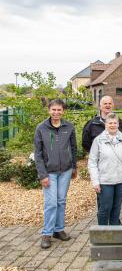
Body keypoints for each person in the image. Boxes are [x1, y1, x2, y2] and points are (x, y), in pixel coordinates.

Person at [34, 99, 77, 249]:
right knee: (51, 203)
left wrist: (74, 167)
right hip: (49, 172)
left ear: (63, 111)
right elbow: (38, 154)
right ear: (49, 110)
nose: (56, 113)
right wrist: (42, 175)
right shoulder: (41, 128)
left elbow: (73, 147)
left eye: (59, 110)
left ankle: (58, 230)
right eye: (54, 110)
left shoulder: (69, 127)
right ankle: (46, 233)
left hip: (65, 171)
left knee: (61, 201)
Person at [88, 112, 122, 225]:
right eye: (110, 123)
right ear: (105, 124)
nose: (112, 125)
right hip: (105, 180)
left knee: (117, 207)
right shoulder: (98, 141)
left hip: (121, 180)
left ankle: (115, 231)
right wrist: (95, 181)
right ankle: (102, 233)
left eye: (115, 123)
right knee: (105, 208)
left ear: (118, 124)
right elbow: (92, 162)